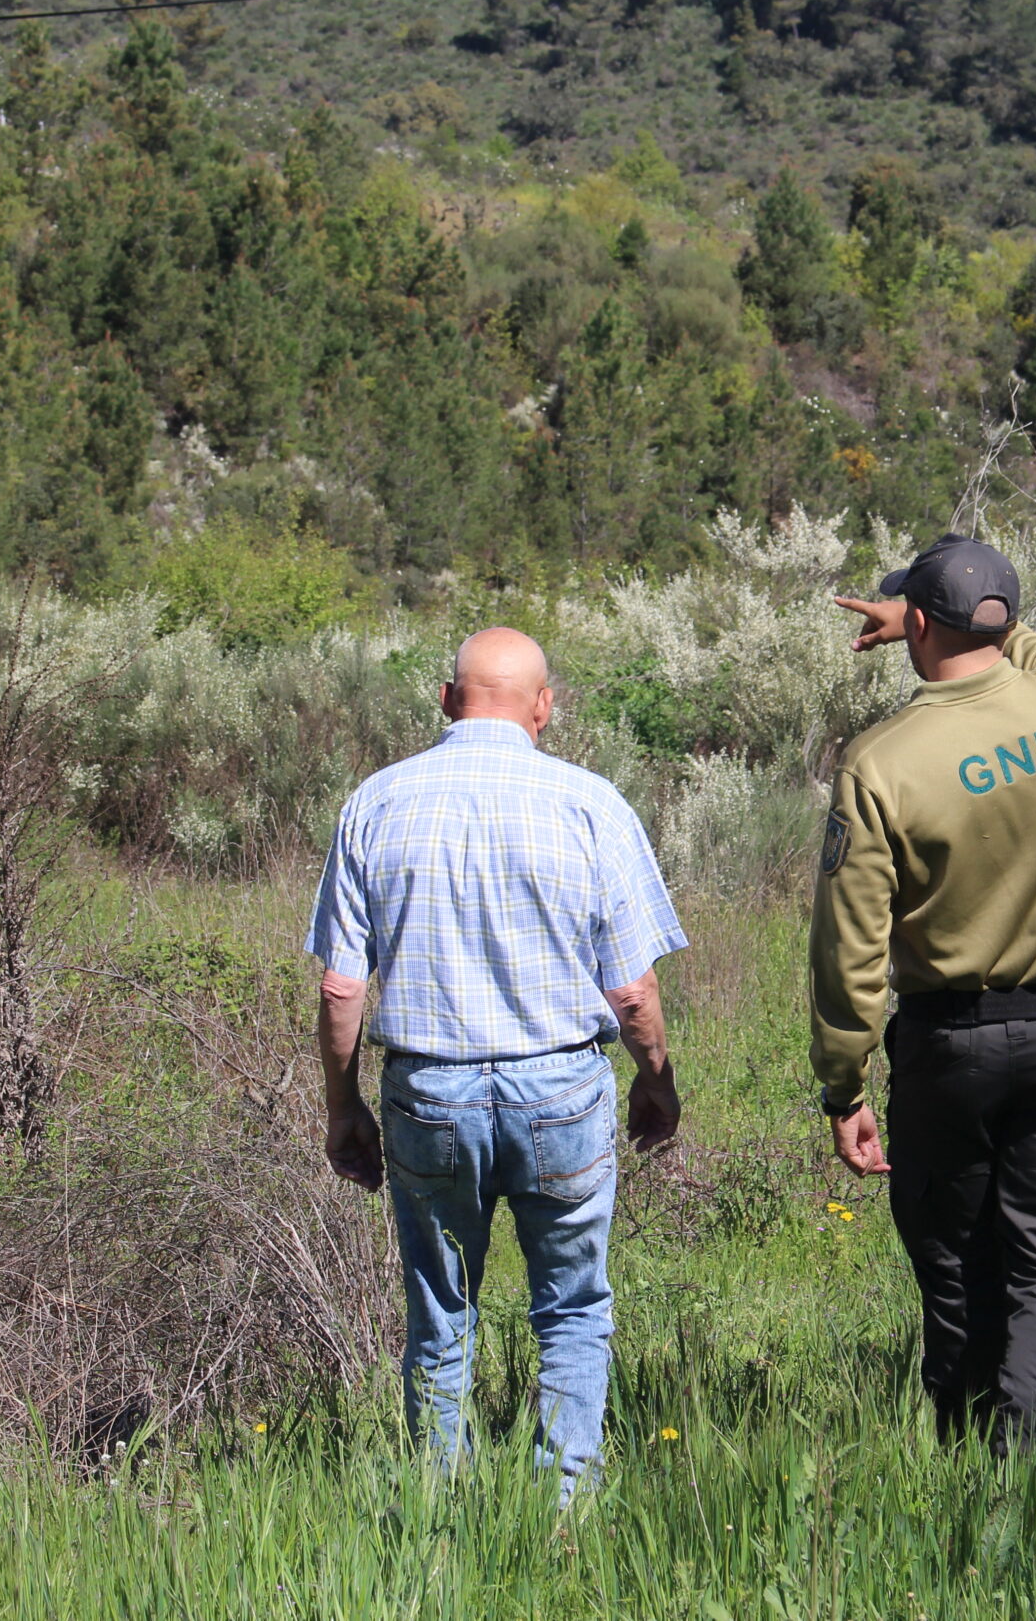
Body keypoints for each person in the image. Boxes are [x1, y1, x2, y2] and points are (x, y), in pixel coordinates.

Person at [307, 627, 687, 1497]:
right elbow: (631, 992)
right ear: (544, 708)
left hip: (428, 1093)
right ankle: (565, 1512)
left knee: (442, 1315)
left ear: (447, 699)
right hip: (560, 1089)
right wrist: (656, 1084)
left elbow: (339, 987)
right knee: (572, 1308)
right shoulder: (590, 803)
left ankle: (441, 1515)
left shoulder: (377, 801)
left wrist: (342, 1105)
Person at [813, 533, 1036, 1466]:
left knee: (956, 1261)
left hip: (951, 1043)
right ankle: (1028, 1463)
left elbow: (850, 945)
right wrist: (940, 614)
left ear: (918, 626)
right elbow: (1027, 645)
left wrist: (844, 1084)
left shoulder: (882, 763)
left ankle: (970, 1453)